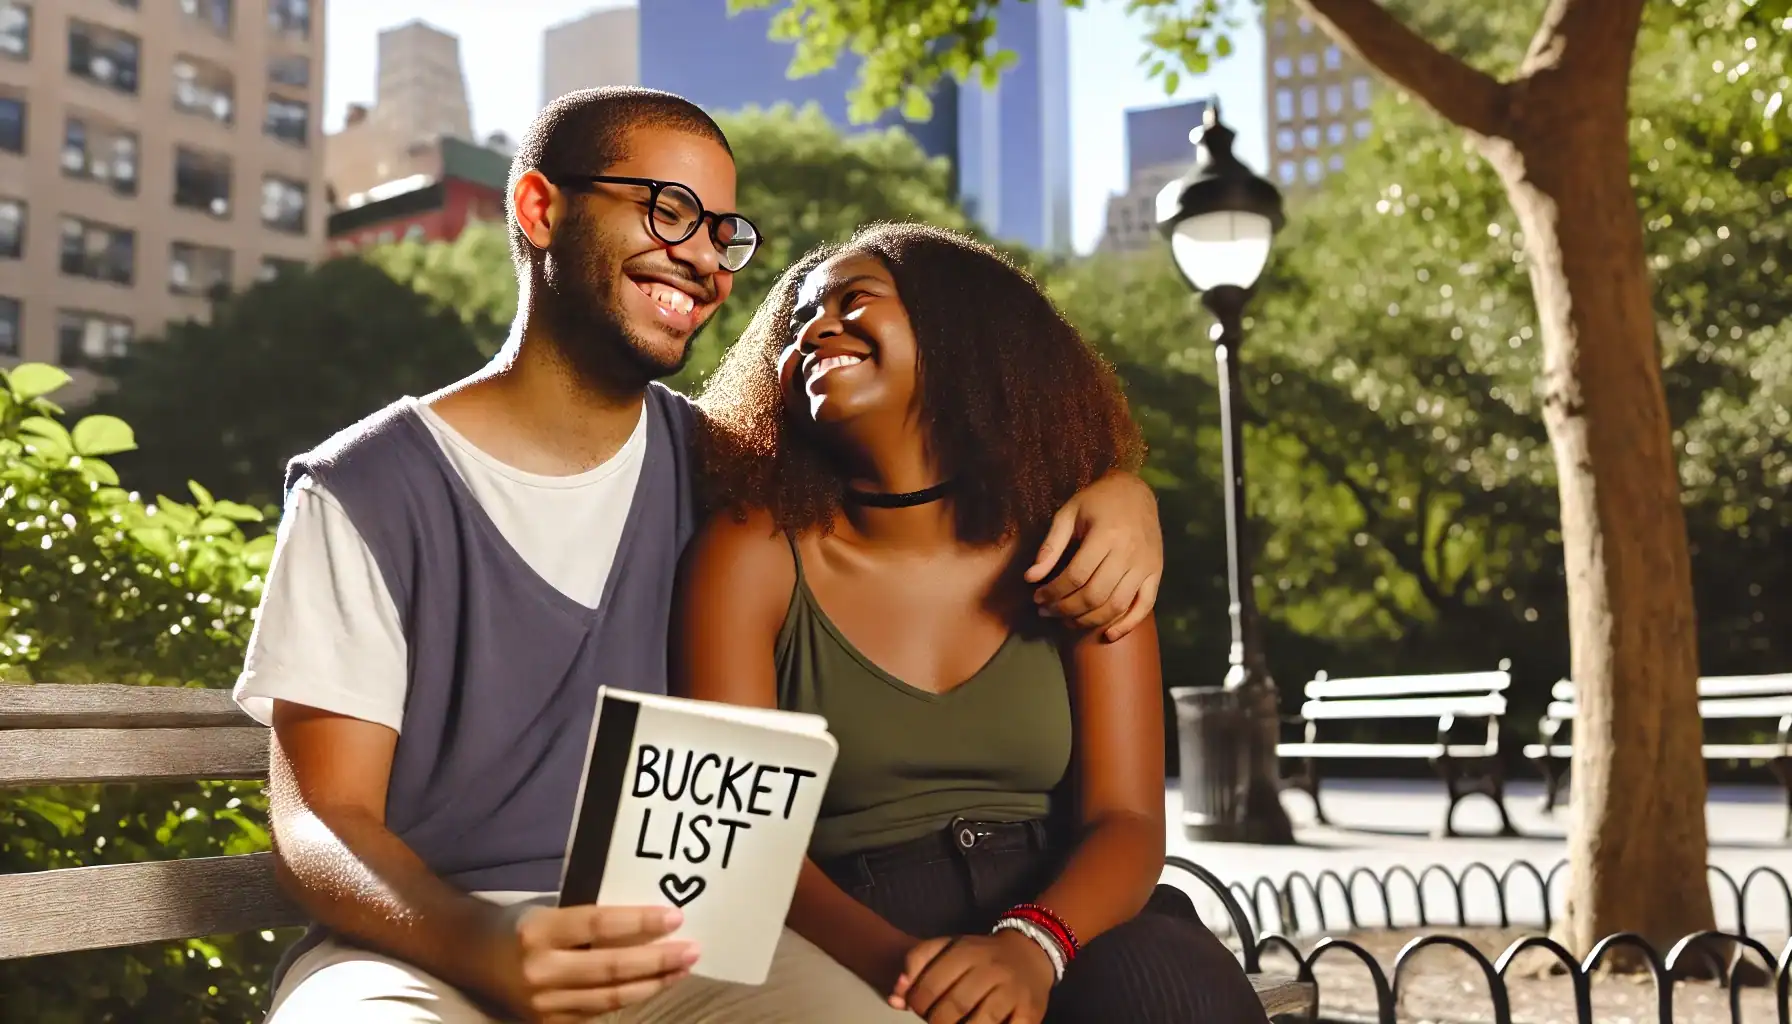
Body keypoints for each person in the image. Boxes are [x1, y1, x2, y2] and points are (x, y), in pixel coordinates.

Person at [235, 87, 1167, 1024]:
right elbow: (319, 821)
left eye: (722, 231)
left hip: (680, 947)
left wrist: (1120, 492)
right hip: (421, 950)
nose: (704, 259)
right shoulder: (360, 491)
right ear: (539, 208)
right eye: (667, 210)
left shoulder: (734, 476)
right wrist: (485, 942)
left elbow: (937, 483)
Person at [678, 223, 1270, 1023]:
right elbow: (743, 842)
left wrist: (1032, 947)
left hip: (1073, 916)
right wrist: (916, 974)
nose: (815, 329)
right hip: (848, 934)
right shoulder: (752, 550)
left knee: (1171, 989)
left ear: (963, 333)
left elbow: (1127, 820)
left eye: (856, 301)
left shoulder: (1081, 540)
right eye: (797, 326)